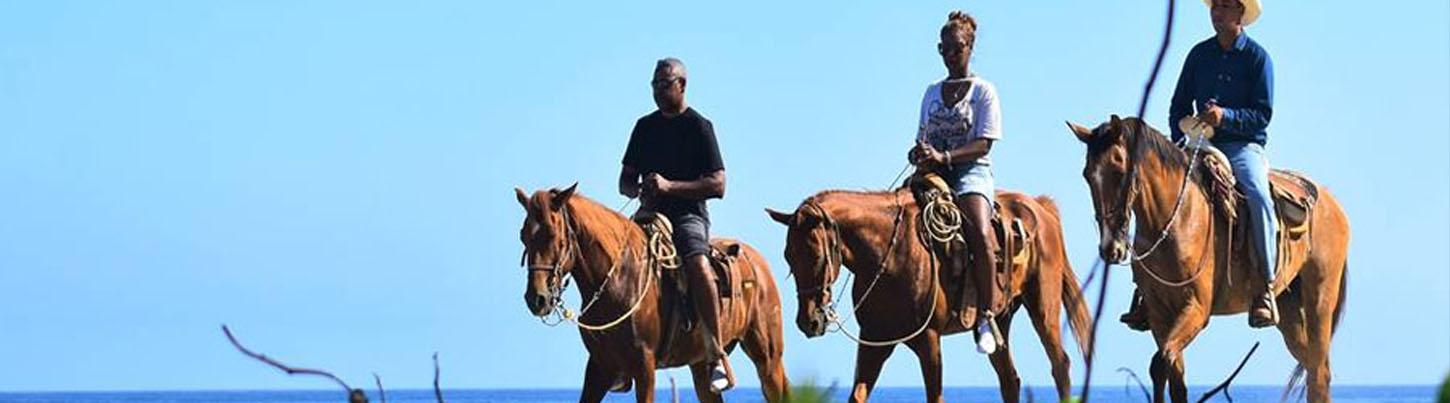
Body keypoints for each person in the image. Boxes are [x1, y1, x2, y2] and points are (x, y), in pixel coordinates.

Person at [1122, 0, 1279, 330]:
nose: (1216, 11)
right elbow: (1177, 106)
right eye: (1214, 5)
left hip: (1241, 147)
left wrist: (1227, 117)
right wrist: (1183, 130)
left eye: (1224, 6)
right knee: (1155, 194)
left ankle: (1265, 286)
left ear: (1240, 13)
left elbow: (1262, 115)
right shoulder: (1198, 55)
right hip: (1198, 143)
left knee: (1258, 196)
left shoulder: (1257, 58)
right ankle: (1145, 290)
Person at [618, 58, 733, 391]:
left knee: (698, 265)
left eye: (664, 84)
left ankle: (715, 354)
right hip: (648, 215)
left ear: (682, 85)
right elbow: (625, 180)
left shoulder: (699, 126)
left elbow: (718, 185)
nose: (657, 91)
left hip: (688, 215)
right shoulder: (644, 127)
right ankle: (617, 358)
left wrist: (670, 187)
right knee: (613, 263)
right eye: (654, 85)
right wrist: (639, 189)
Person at [907, 10, 1005, 355]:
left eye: (958, 49)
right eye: (945, 50)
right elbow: (922, 135)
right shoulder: (932, 92)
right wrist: (919, 153)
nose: (951, 56)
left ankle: (986, 314)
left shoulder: (983, 92)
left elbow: (984, 143)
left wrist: (945, 158)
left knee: (978, 230)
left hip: (970, 171)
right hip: (933, 173)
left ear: (970, 48)